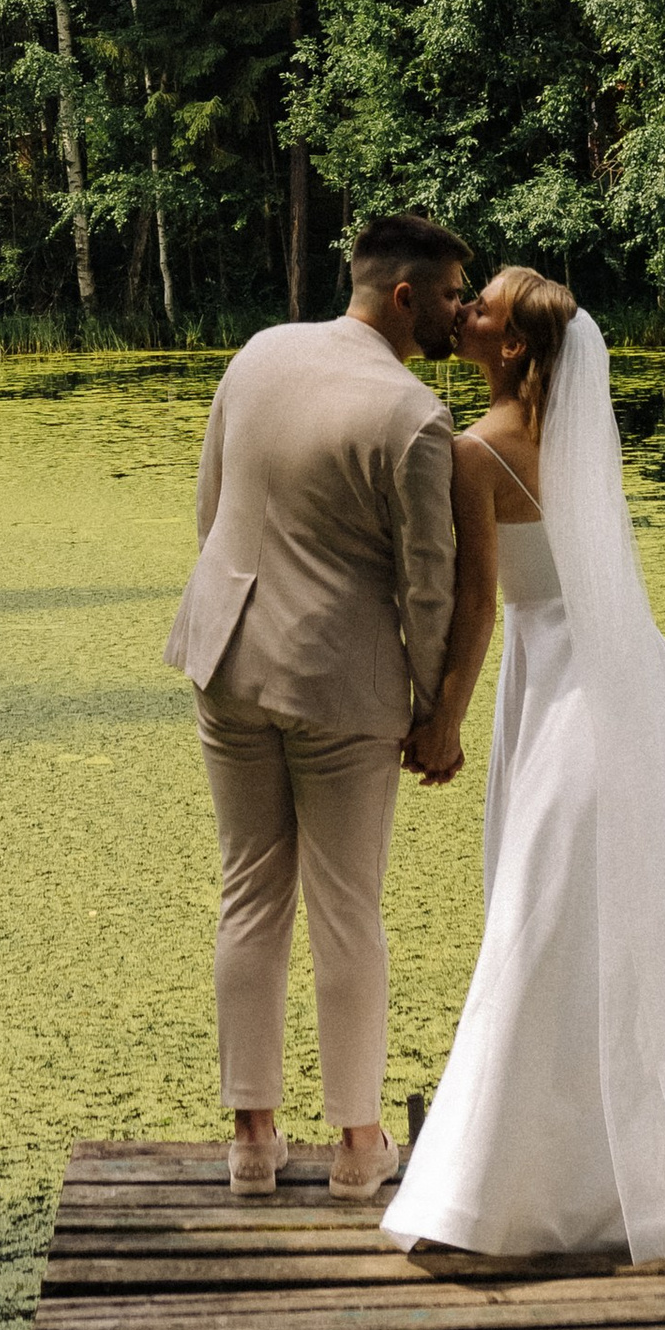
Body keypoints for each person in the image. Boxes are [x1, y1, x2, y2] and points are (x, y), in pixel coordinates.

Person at [385, 265, 665, 1263]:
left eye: (482, 310)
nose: (463, 316)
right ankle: (654, 1165)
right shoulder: (584, 439)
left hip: (557, 691)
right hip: (634, 682)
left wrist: (442, 720)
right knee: (631, 916)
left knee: (541, 916)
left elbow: (473, 605)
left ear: (510, 349)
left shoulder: (474, 452)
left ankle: (512, 1187)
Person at [163, 211, 469, 1196]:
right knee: (348, 911)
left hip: (228, 655)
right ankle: (355, 1147)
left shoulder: (259, 354)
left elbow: (211, 507)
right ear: (405, 295)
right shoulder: (414, 415)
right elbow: (431, 585)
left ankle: (251, 1141)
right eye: (454, 295)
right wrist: (433, 709)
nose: (462, 314)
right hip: (339, 684)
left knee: (249, 893)